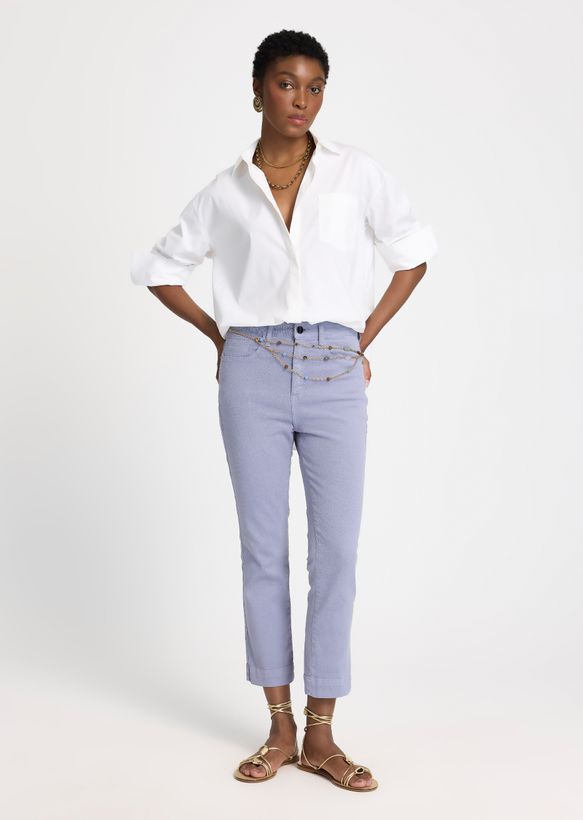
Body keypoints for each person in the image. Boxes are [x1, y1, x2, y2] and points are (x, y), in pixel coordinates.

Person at [130, 28, 438, 792]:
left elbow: (413, 252)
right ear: (258, 90)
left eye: (314, 86)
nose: (301, 99)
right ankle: (279, 726)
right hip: (253, 370)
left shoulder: (356, 174)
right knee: (263, 552)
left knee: (337, 554)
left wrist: (361, 336)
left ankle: (322, 733)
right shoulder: (226, 190)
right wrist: (219, 337)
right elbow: (159, 267)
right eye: (286, 83)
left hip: (335, 367)